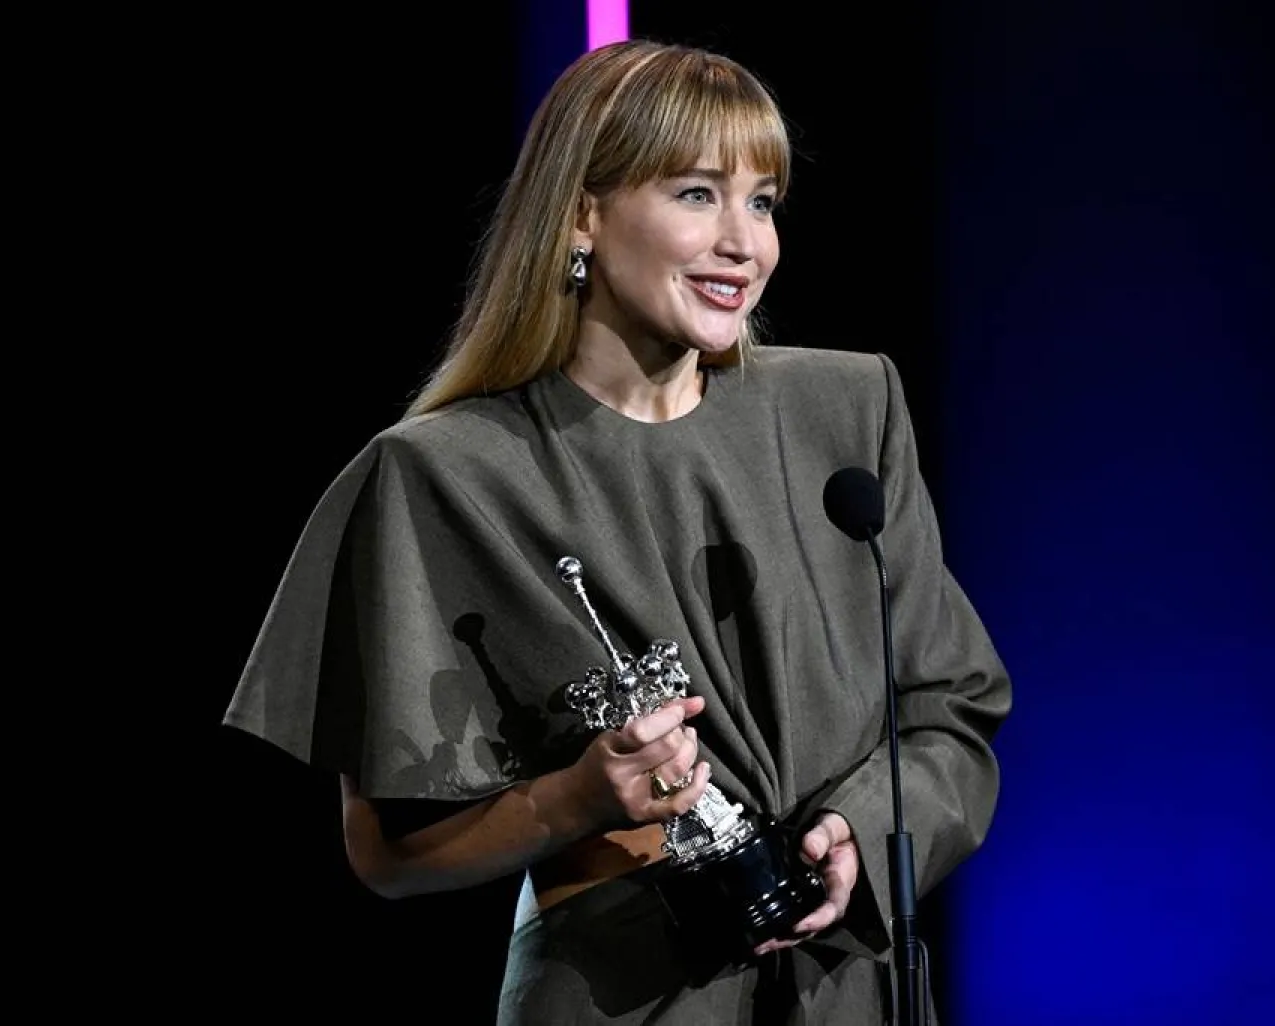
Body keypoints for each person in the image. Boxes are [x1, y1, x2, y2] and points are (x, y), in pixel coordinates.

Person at [223, 39, 1011, 1024]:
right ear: (583, 214)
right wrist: (577, 801)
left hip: (849, 992)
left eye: (763, 201)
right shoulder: (446, 475)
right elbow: (386, 853)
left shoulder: (847, 411)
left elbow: (950, 709)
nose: (744, 243)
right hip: (627, 995)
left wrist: (866, 828)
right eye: (697, 194)